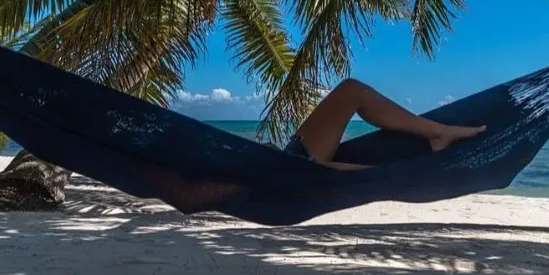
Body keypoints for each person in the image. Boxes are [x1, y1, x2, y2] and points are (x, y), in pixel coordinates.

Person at [146, 79, 486, 212]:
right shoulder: (255, 184)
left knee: (353, 97)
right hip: (295, 164)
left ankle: (432, 139)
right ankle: (437, 132)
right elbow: (321, 174)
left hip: (292, 167)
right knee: (352, 91)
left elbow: (324, 174)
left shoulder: (213, 179)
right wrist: (391, 178)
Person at [282, 78, 486, 170]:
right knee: (352, 90)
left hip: (282, 164)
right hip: (288, 168)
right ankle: (438, 133)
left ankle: (437, 133)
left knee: (352, 90)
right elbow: (316, 173)